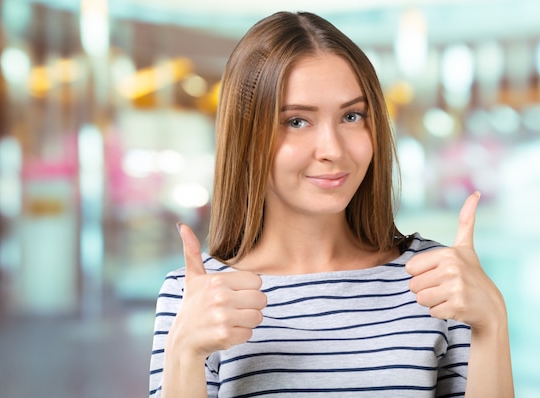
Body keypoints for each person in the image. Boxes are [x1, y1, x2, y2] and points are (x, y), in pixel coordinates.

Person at [149, 11, 514, 398]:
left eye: (351, 116)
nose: (333, 150)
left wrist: (492, 322)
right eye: (296, 121)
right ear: (246, 134)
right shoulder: (195, 294)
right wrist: (183, 353)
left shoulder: (439, 281)